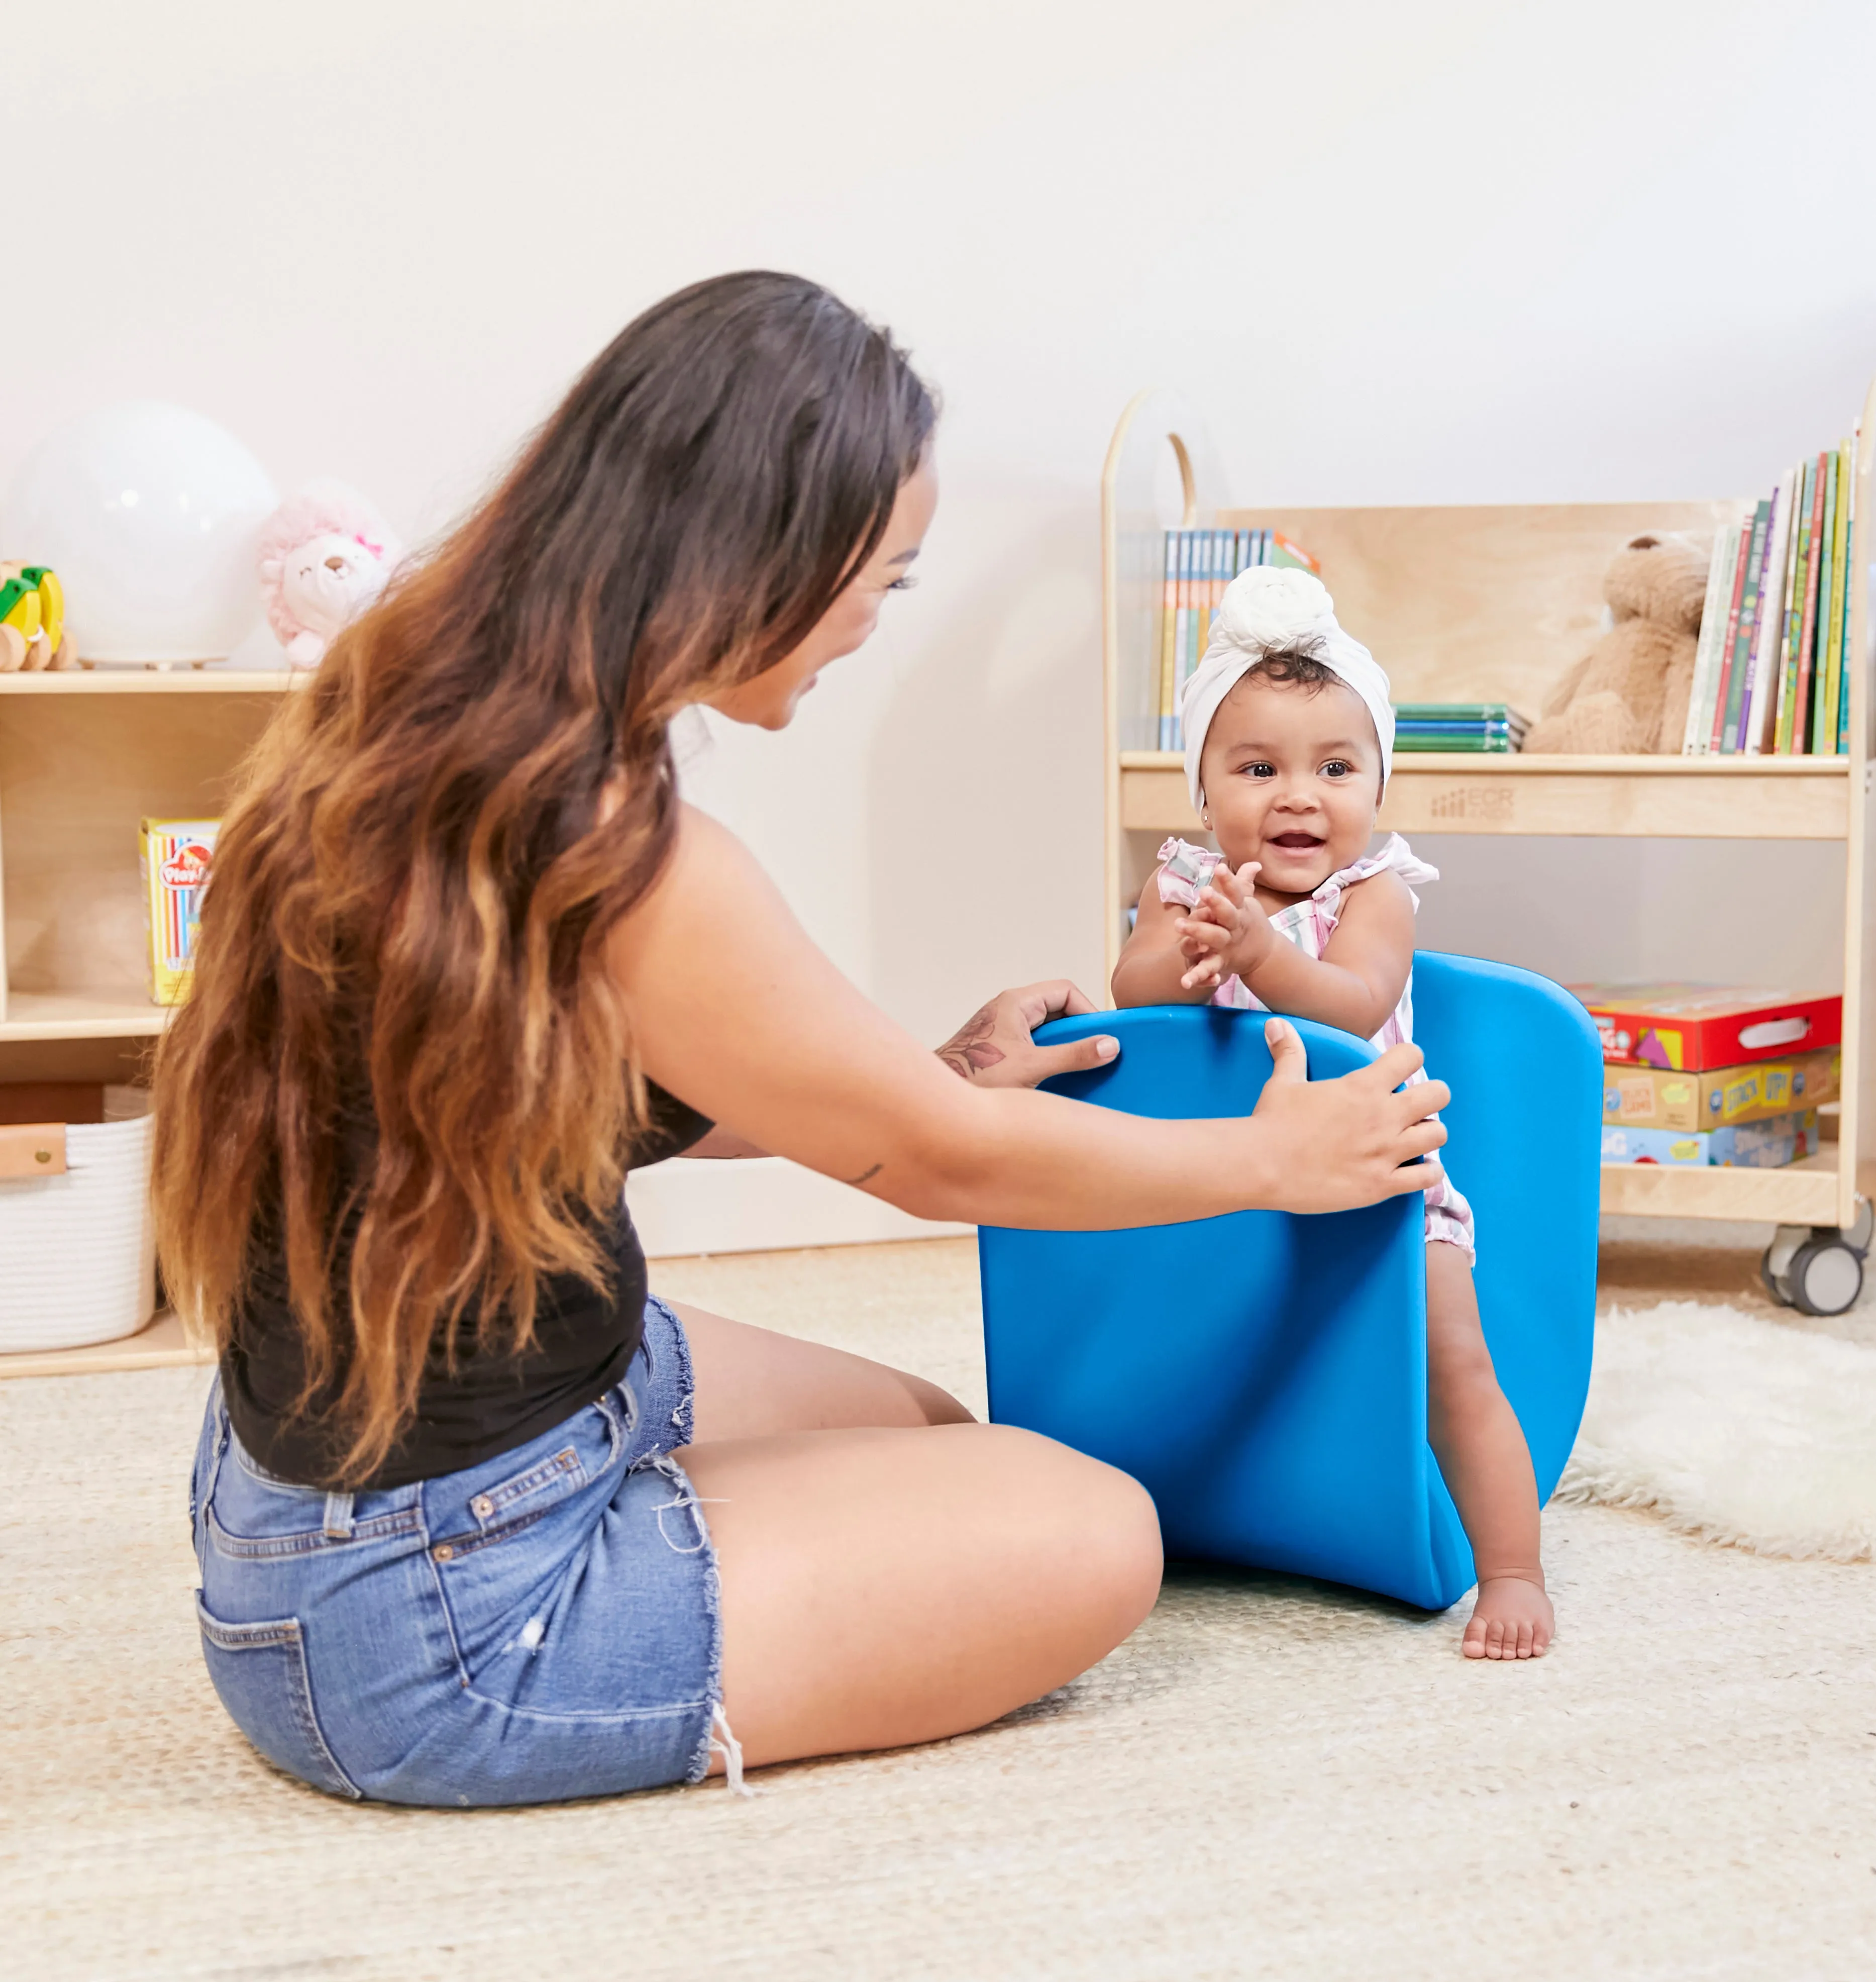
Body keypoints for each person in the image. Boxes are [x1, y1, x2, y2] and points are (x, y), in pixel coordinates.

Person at [154, 273, 1452, 1809]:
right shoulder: (621, 844)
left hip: (335, 1488)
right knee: (1101, 1534)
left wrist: (922, 1076)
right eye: (882, 578)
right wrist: (1268, 1158)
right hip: (434, 1619)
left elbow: (622, 1081)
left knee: (927, 1429)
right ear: (770, 549)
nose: (871, 621)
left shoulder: (414, 715)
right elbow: (935, 1163)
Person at [1112, 563, 1552, 1661]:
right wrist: (1203, 937)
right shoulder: (1186, 886)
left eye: (1334, 767)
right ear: (1204, 792)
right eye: (1257, 767)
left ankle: (1511, 1567)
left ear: (1375, 785)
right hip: (1228, 1179)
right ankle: (1203, 1504)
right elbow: (1134, 989)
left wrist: (1259, 951)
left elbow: (1356, 1005)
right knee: (1198, 1339)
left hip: (1386, 1170)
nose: (1298, 795)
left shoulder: (1373, 893)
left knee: (1454, 1357)